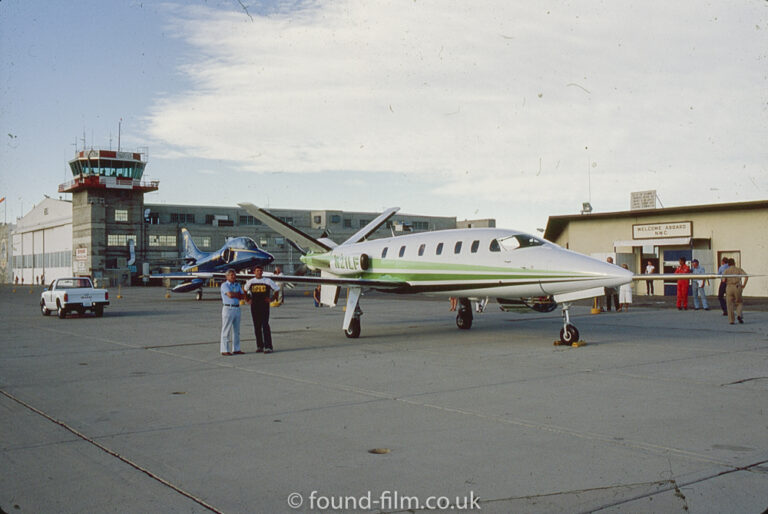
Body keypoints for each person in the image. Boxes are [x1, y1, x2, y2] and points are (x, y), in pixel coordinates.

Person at [244, 266, 279, 353]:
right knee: (257, 326)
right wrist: (247, 299)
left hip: (264, 305)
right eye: (257, 271)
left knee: (265, 325)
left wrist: (272, 299)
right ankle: (260, 345)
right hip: (255, 306)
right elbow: (244, 290)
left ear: (262, 272)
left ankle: (268, 346)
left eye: (260, 271)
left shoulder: (267, 281)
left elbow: (277, 289)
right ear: (254, 272)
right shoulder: (251, 282)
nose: (259, 272)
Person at [220, 269, 245, 356]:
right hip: (228, 308)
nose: (233, 276)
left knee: (236, 330)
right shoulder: (224, 285)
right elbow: (230, 295)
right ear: (227, 276)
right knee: (226, 330)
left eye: (234, 275)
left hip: (237, 308)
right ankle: (224, 349)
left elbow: (243, 296)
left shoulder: (237, 285)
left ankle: (236, 349)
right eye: (231, 275)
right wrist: (237, 294)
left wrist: (236, 294)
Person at [723, 258, 748, 324]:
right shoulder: (739, 269)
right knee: (739, 302)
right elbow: (746, 276)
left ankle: (731, 320)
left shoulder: (726, 270)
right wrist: (743, 285)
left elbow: (723, 280)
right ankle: (739, 315)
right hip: (737, 286)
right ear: (734, 263)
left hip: (729, 287)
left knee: (729, 304)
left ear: (728, 264)